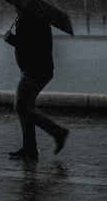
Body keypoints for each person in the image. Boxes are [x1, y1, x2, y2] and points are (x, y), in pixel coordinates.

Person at [4, 9, 69, 160]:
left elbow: (29, 45)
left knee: (21, 106)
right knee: (26, 107)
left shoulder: (29, 18)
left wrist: (10, 39)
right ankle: (30, 148)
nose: (13, 6)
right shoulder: (35, 16)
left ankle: (57, 132)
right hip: (39, 68)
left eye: (16, 2)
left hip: (34, 69)